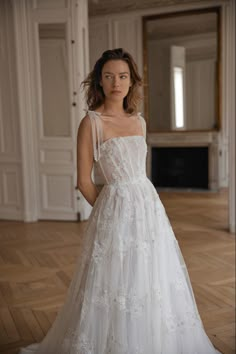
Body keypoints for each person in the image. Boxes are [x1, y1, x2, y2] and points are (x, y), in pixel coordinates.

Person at [19, 48, 221, 354]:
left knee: (151, 273)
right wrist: (107, 213)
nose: (117, 82)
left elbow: (139, 170)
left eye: (123, 76)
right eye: (109, 76)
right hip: (114, 208)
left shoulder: (139, 121)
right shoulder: (91, 123)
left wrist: (141, 206)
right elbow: (84, 181)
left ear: (131, 81)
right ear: (100, 81)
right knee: (113, 279)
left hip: (148, 207)